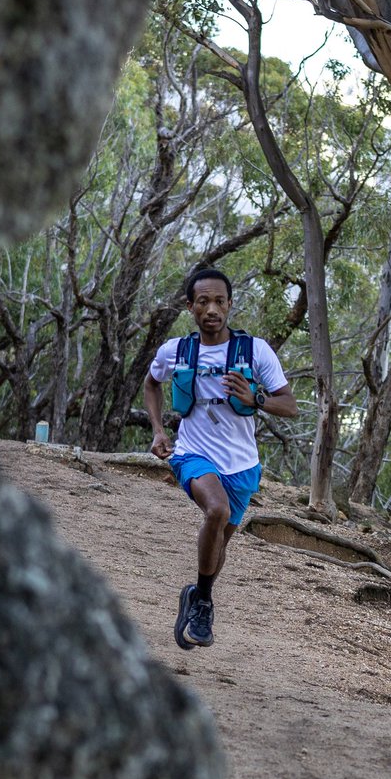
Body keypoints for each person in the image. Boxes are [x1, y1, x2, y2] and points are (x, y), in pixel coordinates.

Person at [144, 268, 298, 650]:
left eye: (219, 301)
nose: (211, 309)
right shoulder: (176, 351)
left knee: (219, 545)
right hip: (193, 453)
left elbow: (290, 405)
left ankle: (197, 595)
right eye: (203, 301)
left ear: (229, 305)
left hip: (242, 464)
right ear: (190, 307)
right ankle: (205, 604)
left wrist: (255, 399)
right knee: (216, 510)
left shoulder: (254, 351)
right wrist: (159, 431)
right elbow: (151, 383)